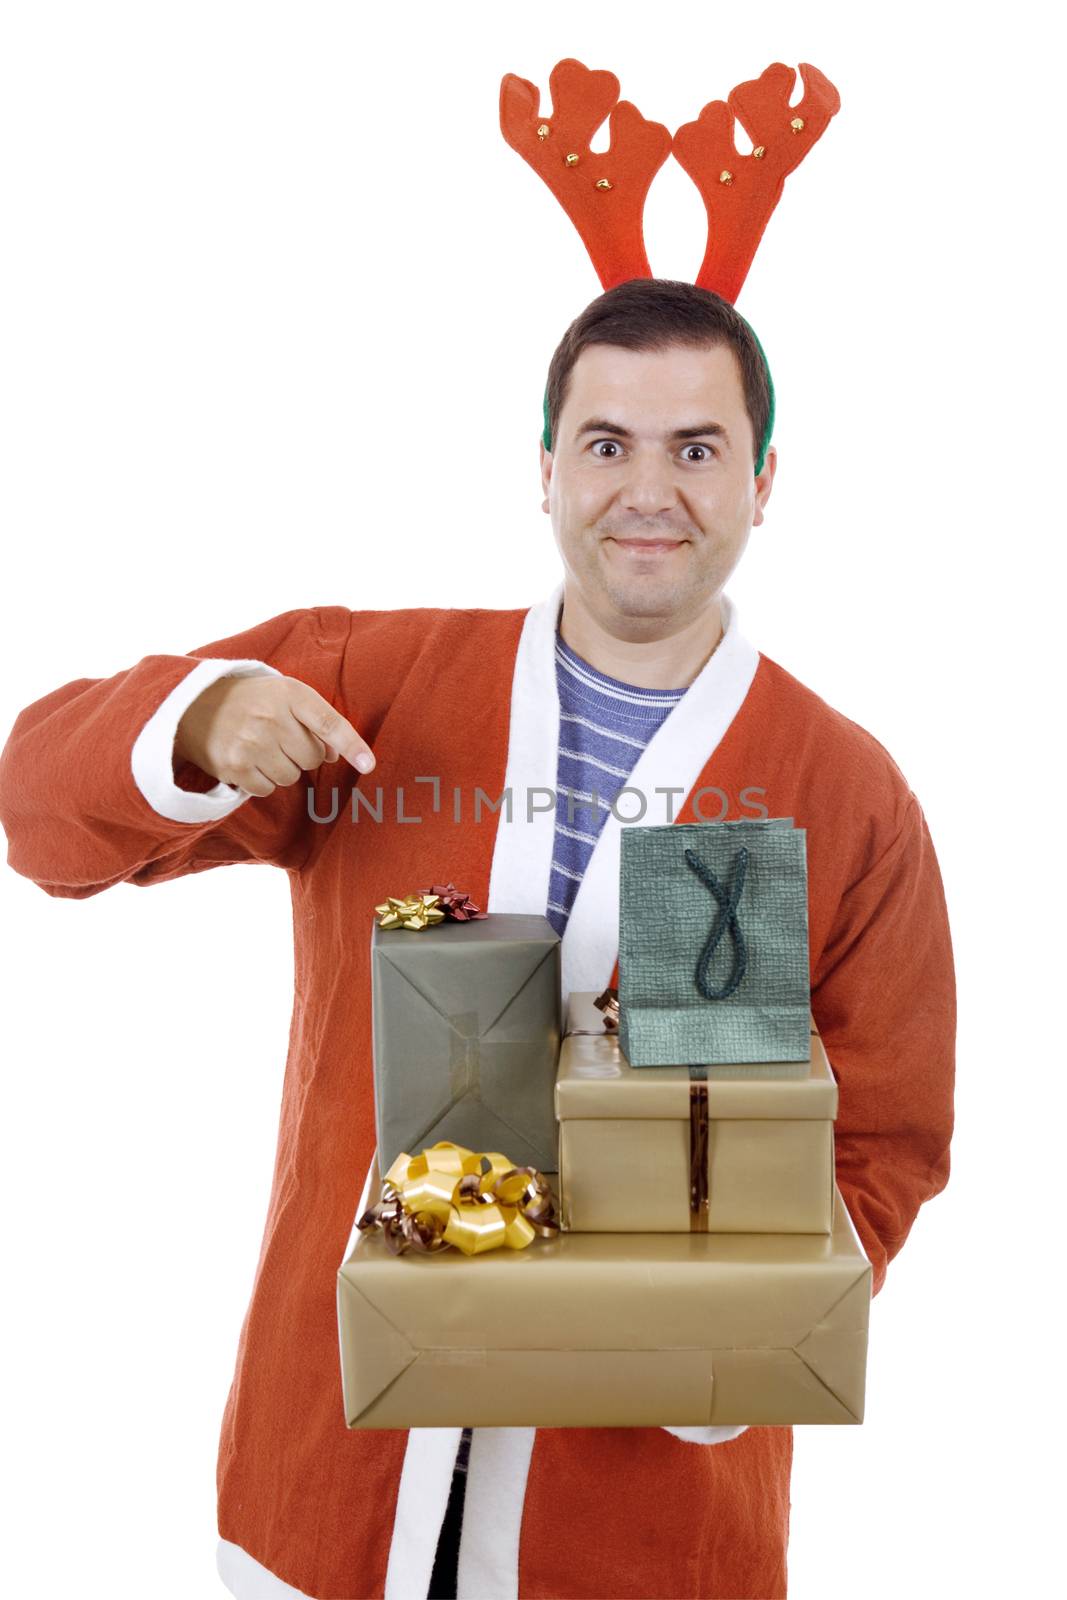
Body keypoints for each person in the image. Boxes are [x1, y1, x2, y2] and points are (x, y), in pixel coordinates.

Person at [0, 275, 955, 1599]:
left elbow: (888, 1140)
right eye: (608, 443)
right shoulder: (369, 688)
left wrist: (734, 1338)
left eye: (698, 448)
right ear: (547, 468)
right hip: (333, 1462)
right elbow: (36, 810)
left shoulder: (846, 792)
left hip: (644, 1517)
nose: (649, 491)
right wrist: (198, 723)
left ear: (765, 478)